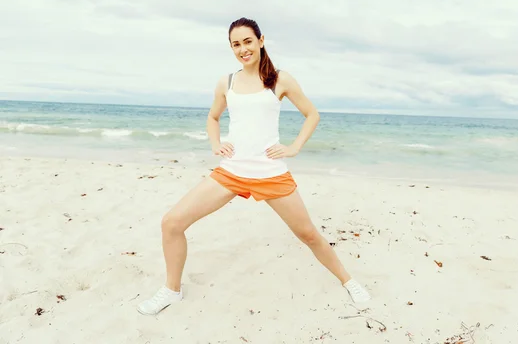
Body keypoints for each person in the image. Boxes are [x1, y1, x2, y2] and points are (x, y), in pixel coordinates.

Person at [137, 17, 370, 315]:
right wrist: (215, 143)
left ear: (261, 41)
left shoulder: (280, 79)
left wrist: (294, 147)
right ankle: (171, 290)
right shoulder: (227, 82)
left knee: (308, 234)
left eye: (248, 41)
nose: (242, 49)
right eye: (236, 44)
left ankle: (349, 281)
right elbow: (213, 117)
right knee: (171, 223)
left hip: (270, 173)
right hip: (231, 172)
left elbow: (312, 114)